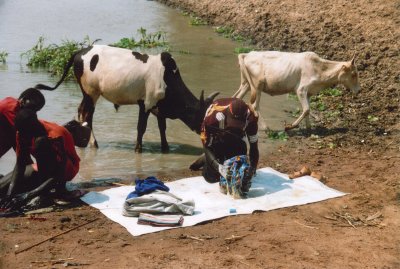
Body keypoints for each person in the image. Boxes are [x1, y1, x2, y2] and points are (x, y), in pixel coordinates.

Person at [0, 108, 80, 211]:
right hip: (43, 166)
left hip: (67, 169)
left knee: (41, 143)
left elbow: (58, 174)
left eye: (24, 132)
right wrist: (9, 195)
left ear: (33, 127)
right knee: (2, 188)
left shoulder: (54, 136)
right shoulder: (22, 131)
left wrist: (27, 195)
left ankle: (49, 193)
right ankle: (39, 189)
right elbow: (20, 165)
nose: (21, 135)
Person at [191, 98, 259, 197]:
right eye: (233, 122)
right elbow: (206, 146)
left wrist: (252, 170)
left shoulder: (251, 118)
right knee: (211, 177)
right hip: (217, 138)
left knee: (240, 172)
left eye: (239, 124)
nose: (236, 125)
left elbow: (253, 146)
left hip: (237, 138)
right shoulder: (212, 117)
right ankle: (206, 158)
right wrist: (219, 167)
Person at [0, 88, 45, 158]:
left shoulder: (10, 100)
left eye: (36, 110)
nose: (34, 112)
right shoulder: (11, 111)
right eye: (33, 108)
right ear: (23, 101)